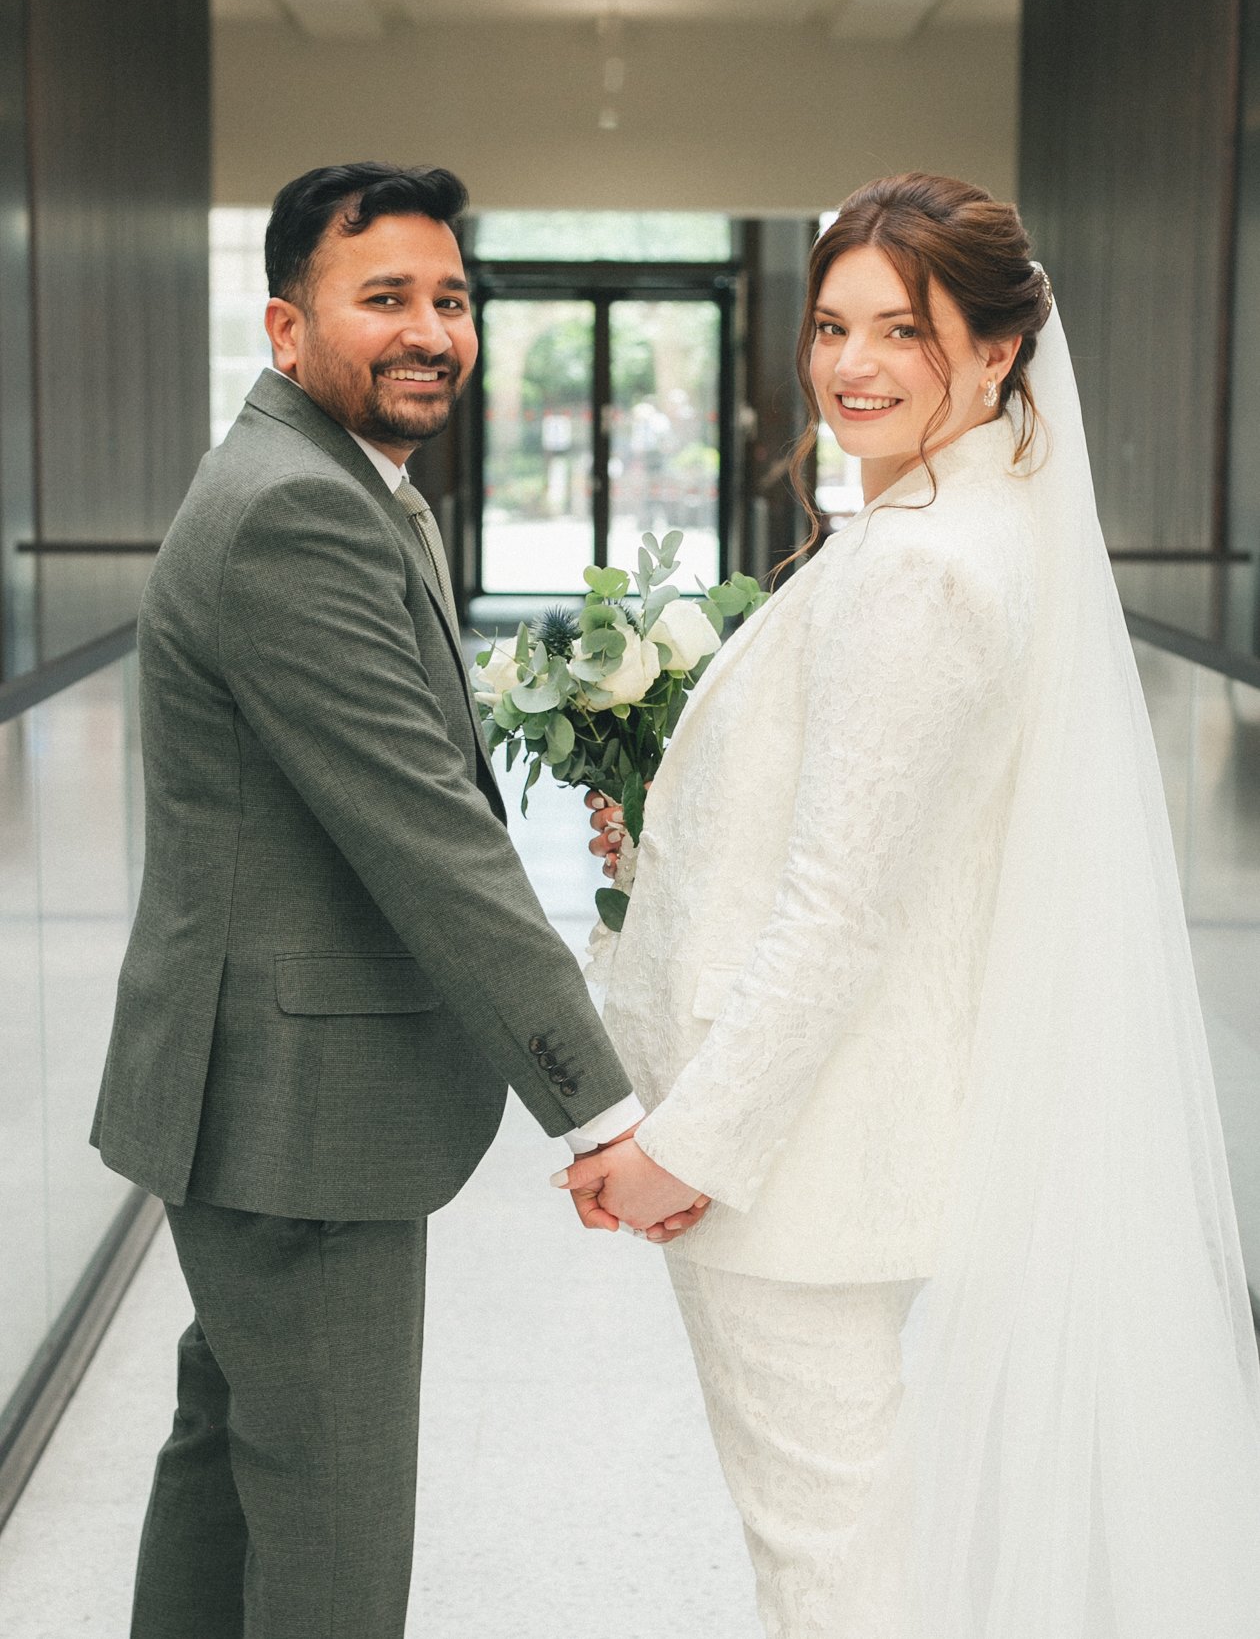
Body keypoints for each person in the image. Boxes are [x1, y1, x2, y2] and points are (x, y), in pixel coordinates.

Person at [559, 174, 1260, 1636]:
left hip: (795, 1164)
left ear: (998, 352)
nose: (853, 364)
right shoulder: (957, 524)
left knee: (830, 1561)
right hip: (838, 1141)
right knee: (859, 1533)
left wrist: (685, 1147)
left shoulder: (926, 569)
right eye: (831, 324)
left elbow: (837, 914)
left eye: (904, 329)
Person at [90, 161, 696, 1639]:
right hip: (293, 1110)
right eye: (386, 299)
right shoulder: (295, 512)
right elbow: (429, 838)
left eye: (451, 298)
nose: (431, 328)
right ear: (289, 327)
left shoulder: (341, 483)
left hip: (264, 1093)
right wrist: (606, 1113)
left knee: (233, 1468)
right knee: (335, 1538)